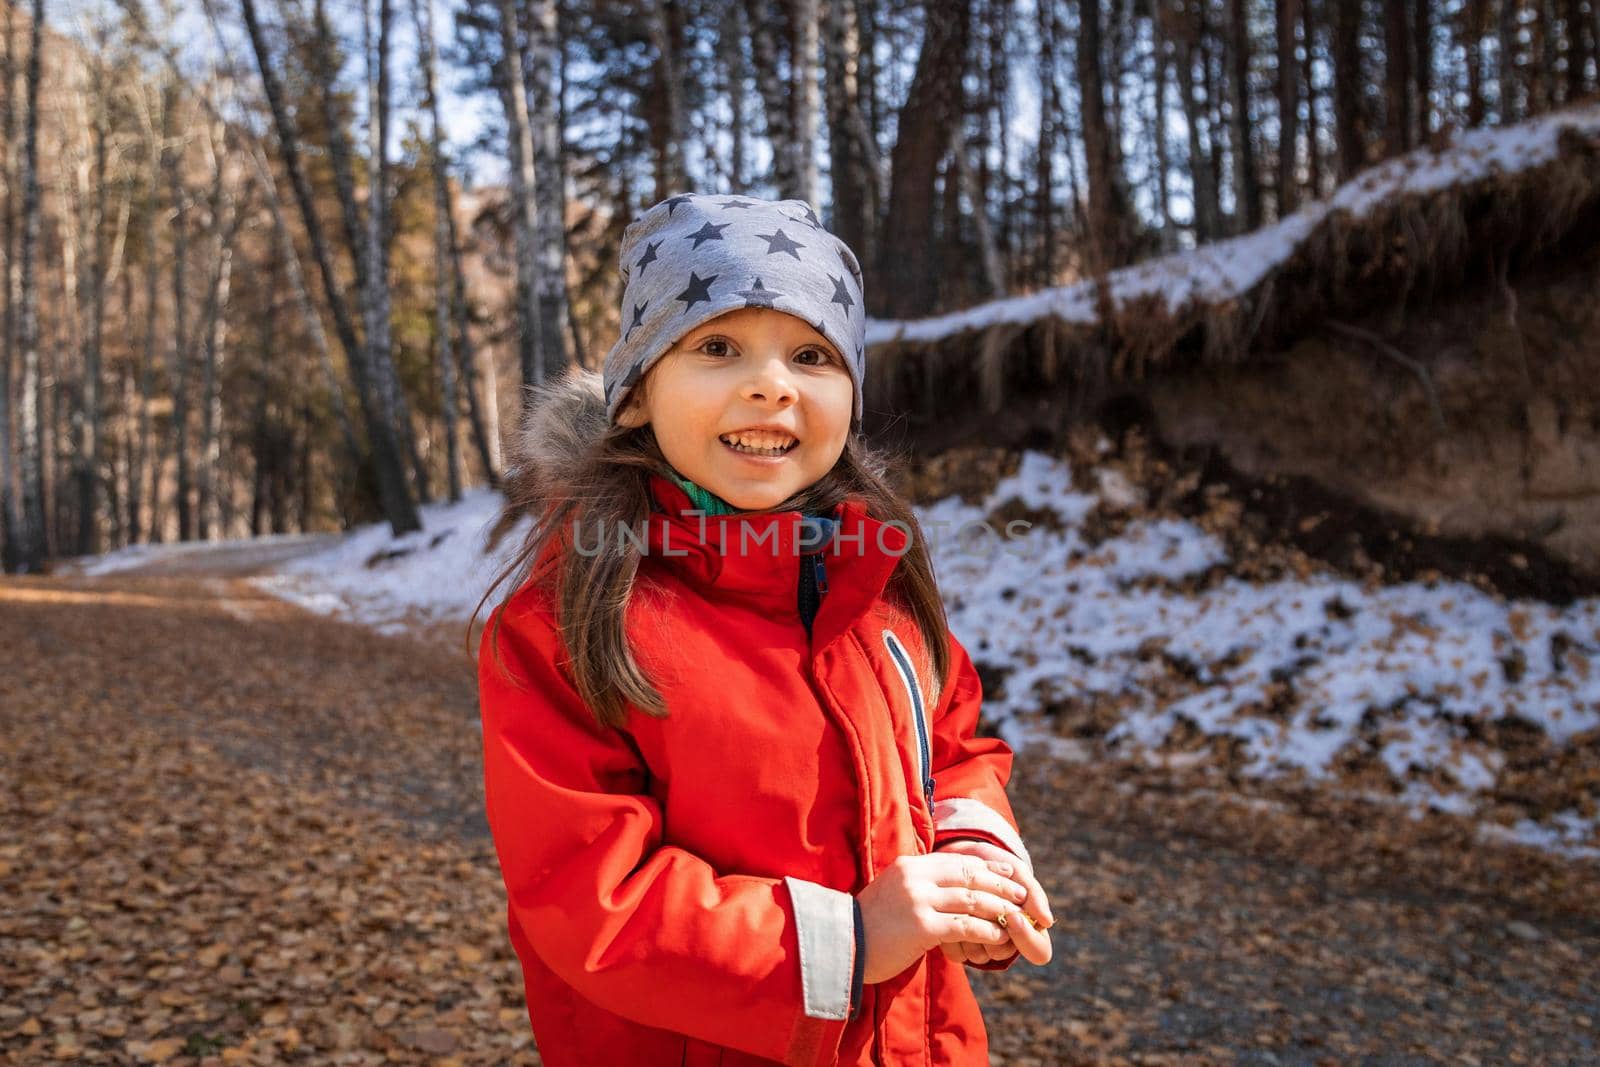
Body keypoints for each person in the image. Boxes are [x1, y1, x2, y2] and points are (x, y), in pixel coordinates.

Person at [474, 192, 1055, 1066]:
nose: (772, 383)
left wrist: (975, 861)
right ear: (636, 394)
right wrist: (854, 938)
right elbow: (587, 892)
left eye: (812, 354)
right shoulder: (571, 618)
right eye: (717, 347)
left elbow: (952, 740)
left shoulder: (874, 581)